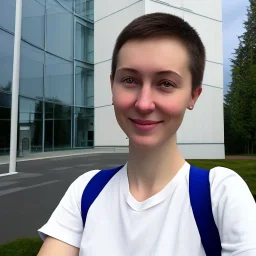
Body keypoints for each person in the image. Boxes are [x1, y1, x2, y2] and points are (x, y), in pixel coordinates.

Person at [37, 13, 256, 256]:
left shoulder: (221, 195)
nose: (144, 104)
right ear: (112, 86)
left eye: (166, 84)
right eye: (130, 80)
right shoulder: (85, 191)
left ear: (193, 96)